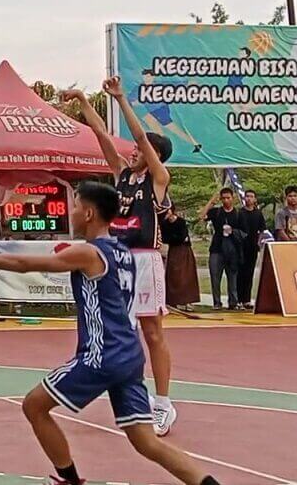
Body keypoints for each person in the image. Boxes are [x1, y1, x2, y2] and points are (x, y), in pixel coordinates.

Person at [0, 182, 221, 485]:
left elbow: (22, 262)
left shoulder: (89, 253)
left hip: (101, 355)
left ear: (90, 213)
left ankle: (69, 480)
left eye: (76, 206)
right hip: (130, 354)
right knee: (146, 442)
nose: (72, 211)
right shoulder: (122, 251)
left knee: (34, 405)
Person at [63, 77, 178, 436]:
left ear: (152, 155)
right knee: (123, 330)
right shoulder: (123, 176)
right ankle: (133, 397)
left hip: (146, 260)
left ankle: (163, 403)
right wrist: (83, 100)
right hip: (120, 258)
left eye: (139, 150)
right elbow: (102, 137)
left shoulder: (158, 178)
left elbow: (141, 137)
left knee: (153, 332)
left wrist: (121, 98)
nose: (132, 151)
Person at [199, 187, 246, 311]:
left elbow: (245, 233)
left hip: (233, 249)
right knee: (215, 276)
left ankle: (233, 302)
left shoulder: (238, 213)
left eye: (228, 198)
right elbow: (201, 216)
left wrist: (233, 231)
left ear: (233, 198)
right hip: (217, 248)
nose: (226, 200)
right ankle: (217, 302)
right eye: (223, 198)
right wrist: (211, 202)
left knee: (232, 277)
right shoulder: (216, 212)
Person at [160, 206, 198, 311]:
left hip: (184, 250)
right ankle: (173, 301)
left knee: (186, 275)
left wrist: (175, 238)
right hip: (173, 250)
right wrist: (175, 239)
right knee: (173, 275)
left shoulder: (181, 222)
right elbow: (165, 238)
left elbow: (183, 237)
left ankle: (187, 301)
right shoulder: (164, 224)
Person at [237, 189, 267, 309]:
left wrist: (260, 242)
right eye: (247, 196)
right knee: (240, 273)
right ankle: (238, 300)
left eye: (251, 196)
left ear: (255, 199)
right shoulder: (240, 213)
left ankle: (247, 300)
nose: (249, 198)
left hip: (253, 247)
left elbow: (262, 230)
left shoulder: (258, 213)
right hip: (240, 247)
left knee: (249, 273)